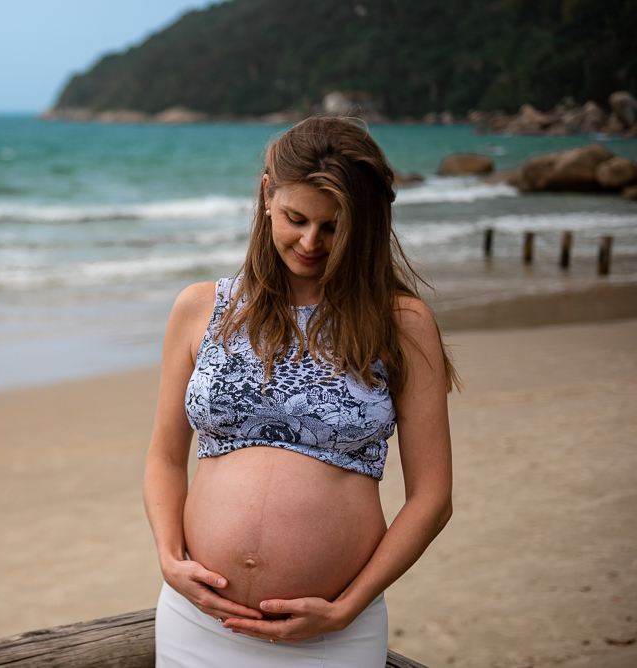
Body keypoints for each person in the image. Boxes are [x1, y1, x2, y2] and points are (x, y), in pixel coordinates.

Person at [143, 116, 456, 667]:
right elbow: (166, 456)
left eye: (334, 227)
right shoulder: (201, 308)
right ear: (267, 195)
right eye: (296, 218)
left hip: (332, 635)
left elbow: (431, 498)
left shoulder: (400, 323)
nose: (311, 242)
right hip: (197, 622)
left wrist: (347, 609)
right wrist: (170, 559)